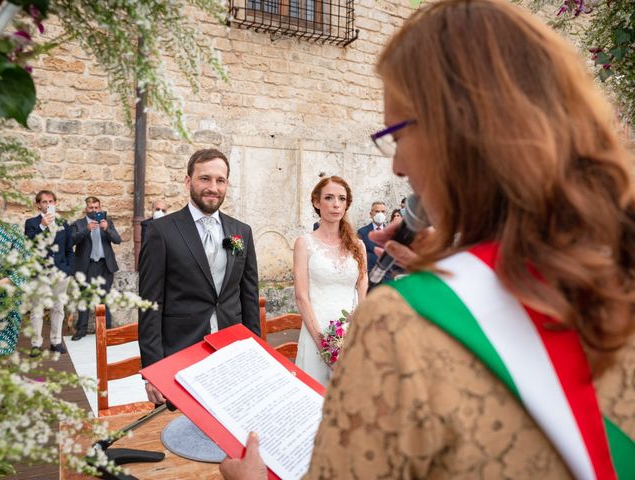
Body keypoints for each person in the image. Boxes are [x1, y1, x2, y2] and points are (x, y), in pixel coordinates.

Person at [220, 1, 635, 478]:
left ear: (456, 133)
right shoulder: (618, 266)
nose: (397, 166)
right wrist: (462, 271)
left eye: (397, 134)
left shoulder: (400, 326)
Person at [139, 148, 260, 405]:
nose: (213, 187)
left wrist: (256, 355)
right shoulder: (161, 231)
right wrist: (153, 371)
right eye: (205, 178)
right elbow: (149, 305)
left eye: (220, 180)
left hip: (231, 352)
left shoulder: (241, 232)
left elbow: (248, 297)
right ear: (188, 181)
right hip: (182, 353)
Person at [294, 176, 368, 385]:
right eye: (329, 198)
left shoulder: (358, 246)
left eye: (342, 199)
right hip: (316, 330)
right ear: (317, 202)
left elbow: (362, 289)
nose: (336, 204)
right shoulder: (304, 243)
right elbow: (301, 296)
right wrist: (324, 345)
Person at [24, 190, 73, 356]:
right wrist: (42, 226)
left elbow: (69, 249)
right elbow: (30, 244)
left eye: (51, 201)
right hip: (39, 272)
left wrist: (68, 270)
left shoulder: (64, 224)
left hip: (60, 272)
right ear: (38, 204)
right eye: (44, 202)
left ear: (55, 203)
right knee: (37, 308)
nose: (48, 204)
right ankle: (36, 344)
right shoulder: (31, 223)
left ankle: (56, 342)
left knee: (58, 308)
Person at [70, 196, 121, 340]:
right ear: (86, 208)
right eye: (91, 208)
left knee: (104, 298)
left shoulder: (107, 222)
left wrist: (107, 230)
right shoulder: (78, 224)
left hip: (105, 266)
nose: (94, 210)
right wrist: (86, 230)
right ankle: (81, 330)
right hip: (86, 265)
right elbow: (71, 241)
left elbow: (117, 240)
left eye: (96, 208)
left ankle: (106, 330)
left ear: (100, 208)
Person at [0, 197, 27, 356]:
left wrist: (1, 283)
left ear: (2, 210)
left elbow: (24, 265)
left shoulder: (13, 232)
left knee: (4, 347)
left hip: (7, 297)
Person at [357, 201, 388, 274]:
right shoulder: (362, 232)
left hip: (387, 277)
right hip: (369, 274)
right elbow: (359, 255)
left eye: (383, 211)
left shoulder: (392, 233)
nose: (380, 214)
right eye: (377, 211)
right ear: (371, 214)